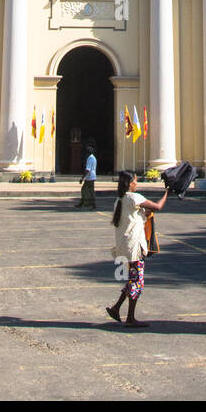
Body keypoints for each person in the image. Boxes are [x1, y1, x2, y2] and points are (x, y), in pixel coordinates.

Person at [106, 171, 168, 328]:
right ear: (130, 183)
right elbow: (158, 206)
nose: (137, 183)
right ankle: (130, 318)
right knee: (137, 281)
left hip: (124, 246)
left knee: (133, 279)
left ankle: (116, 308)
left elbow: (140, 215)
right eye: (135, 180)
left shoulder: (120, 200)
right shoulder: (135, 197)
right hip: (134, 247)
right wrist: (167, 192)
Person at [76, 140, 97, 210]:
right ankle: (91, 203)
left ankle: (86, 203)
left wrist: (82, 178)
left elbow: (88, 169)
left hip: (90, 176)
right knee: (91, 190)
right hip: (92, 176)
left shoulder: (90, 158)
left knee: (85, 190)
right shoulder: (93, 158)